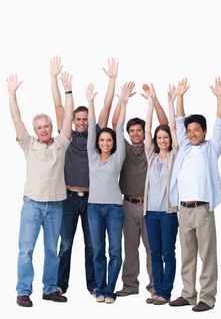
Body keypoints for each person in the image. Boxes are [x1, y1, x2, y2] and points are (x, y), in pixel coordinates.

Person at [50, 56, 118, 296]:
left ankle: (94, 285)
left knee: (93, 246)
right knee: (66, 244)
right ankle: (61, 285)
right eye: (77, 119)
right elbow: (59, 107)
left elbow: (107, 108)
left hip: (92, 200)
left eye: (83, 119)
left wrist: (112, 80)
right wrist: (54, 79)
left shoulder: (96, 136)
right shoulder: (67, 135)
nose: (80, 123)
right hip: (68, 198)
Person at [7, 72, 74, 307]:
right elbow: (16, 120)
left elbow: (68, 118)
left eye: (46, 126)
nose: (43, 130)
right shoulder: (29, 144)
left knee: (52, 251)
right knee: (25, 251)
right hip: (32, 205)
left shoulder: (61, 144)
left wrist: (68, 90)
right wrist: (12, 94)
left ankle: (50, 289)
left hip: (56, 205)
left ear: (51, 128)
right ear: (35, 130)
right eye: (39, 128)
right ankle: (23, 291)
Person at [169, 77, 221, 312]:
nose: (192, 133)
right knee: (187, 255)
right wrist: (180, 96)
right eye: (190, 131)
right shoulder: (184, 147)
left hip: (202, 209)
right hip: (184, 210)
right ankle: (187, 294)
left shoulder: (210, 149)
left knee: (207, 256)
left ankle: (207, 298)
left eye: (197, 130)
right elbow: (179, 120)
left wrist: (220, 98)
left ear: (204, 132)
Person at [113, 84, 168, 297]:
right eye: (132, 131)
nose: (136, 134)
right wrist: (123, 101)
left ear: (145, 134)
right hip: (127, 203)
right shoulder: (124, 148)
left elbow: (164, 124)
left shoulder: (152, 148)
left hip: (149, 205)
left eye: (139, 131)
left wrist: (153, 101)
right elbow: (115, 124)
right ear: (128, 134)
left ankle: (155, 287)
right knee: (130, 248)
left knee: (152, 248)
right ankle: (129, 285)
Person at [86, 82, 131, 304]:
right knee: (97, 250)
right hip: (93, 208)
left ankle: (110, 290)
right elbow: (93, 127)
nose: (105, 142)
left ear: (113, 143)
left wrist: (123, 102)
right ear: (98, 142)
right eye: (102, 139)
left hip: (114, 208)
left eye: (109, 140)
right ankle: (99, 288)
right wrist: (91, 102)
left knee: (114, 250)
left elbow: (120, 127)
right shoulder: (92, 156)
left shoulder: (117, 157)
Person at [143, 83, 179, 305]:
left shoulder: (175, 155)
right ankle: (156, 290)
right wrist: (149, 102)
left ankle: (166, 292)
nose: (163, 140)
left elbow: (174, 128)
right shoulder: (152, 156)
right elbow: (147, 129)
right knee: (154, 253)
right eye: (160, 138)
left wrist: (170, 102)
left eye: (165, 137)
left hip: (167, 212)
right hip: (150, 212)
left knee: (168, 253)